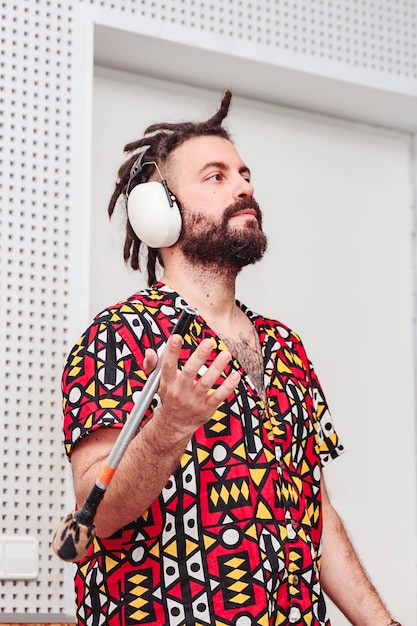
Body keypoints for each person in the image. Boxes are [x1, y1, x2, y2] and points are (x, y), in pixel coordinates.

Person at [61, 91, 400, 626]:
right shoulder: (118, 335)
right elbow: (95, 515)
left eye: (244, 174)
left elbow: (320, 515)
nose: (244, 187)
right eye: (216, 176)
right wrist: (170, 425)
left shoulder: (285, 346)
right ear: (159, 212)